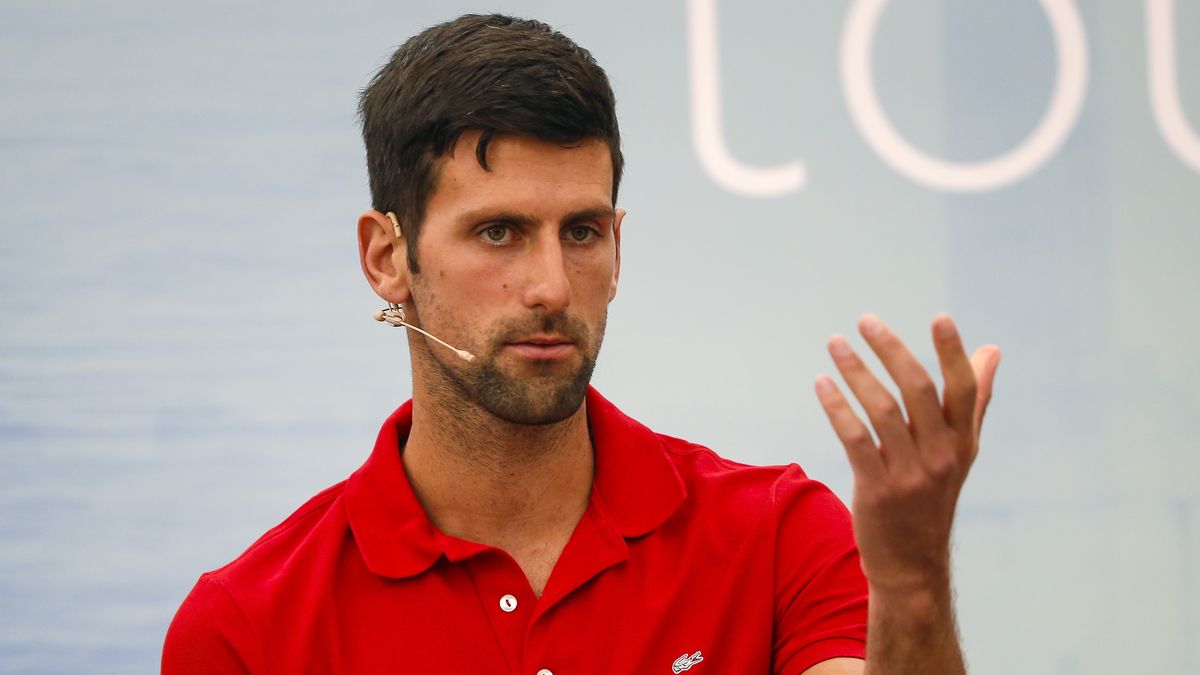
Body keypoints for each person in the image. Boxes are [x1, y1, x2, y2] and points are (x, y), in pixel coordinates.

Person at [162, 13, 1000, 675]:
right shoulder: (247, 627)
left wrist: (914, 584)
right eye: (498, 232)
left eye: (583, 231)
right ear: (389, 259)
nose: (553, 287)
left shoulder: (777, 535)